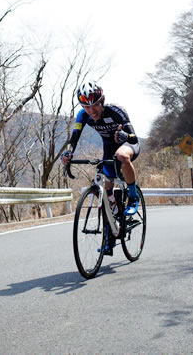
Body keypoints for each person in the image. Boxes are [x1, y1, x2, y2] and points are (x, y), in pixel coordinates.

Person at [61, 81, 140, 255]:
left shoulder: (115, 111)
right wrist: (67, 154)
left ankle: (133, 197)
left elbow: (133, 137)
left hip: (126, 145)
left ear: (102, 100)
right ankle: (110, 236)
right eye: (86, 107)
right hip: (108, 149)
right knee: (107, 194)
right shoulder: (83, 116)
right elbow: (73, 138)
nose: (92, 111)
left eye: (95, 105)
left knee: (121, 156)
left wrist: (124, 135)